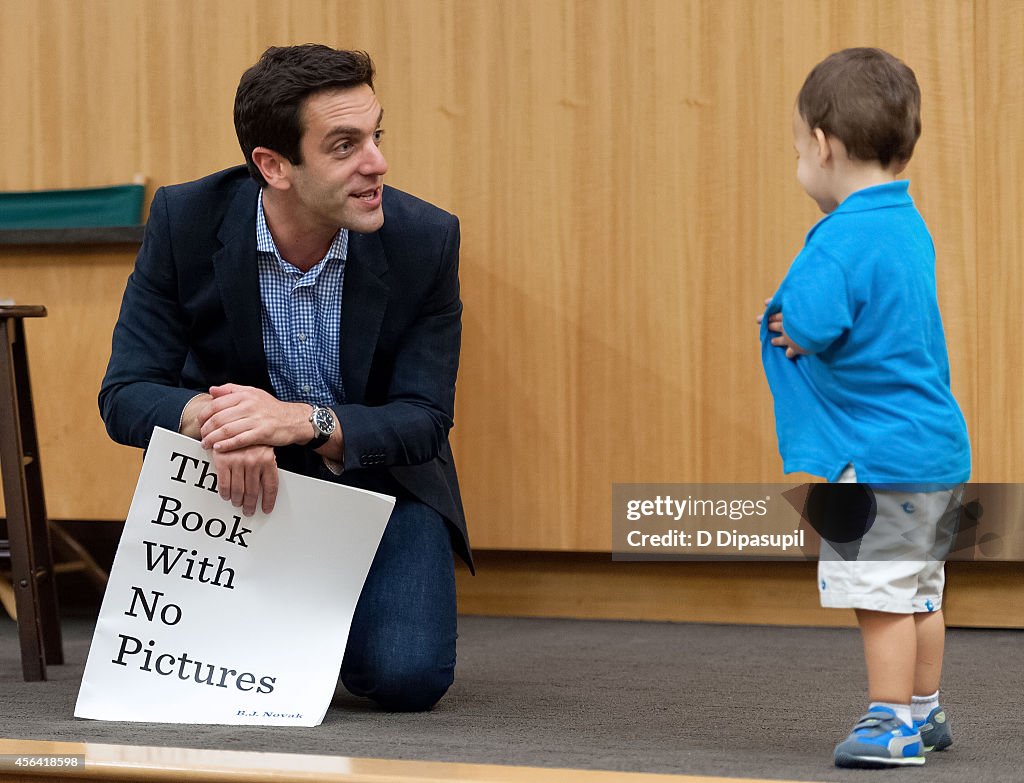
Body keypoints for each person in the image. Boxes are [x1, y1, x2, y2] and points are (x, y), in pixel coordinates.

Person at [99, 44, 470, 712]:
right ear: (273, 166)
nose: (377, 162)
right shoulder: (185, 220)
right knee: (191, 683)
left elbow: (424, 417)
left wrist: (301, 421)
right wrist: (228, 424)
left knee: (406, 676)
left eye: (376, 135)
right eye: (344, 145)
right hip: (232, 485)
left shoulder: (426, 239)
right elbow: (125, 393)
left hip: (380, 478)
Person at [758, 48, 970, 768]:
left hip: (872, 456)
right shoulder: (907, 223)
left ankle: (892, 722)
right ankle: (927, 706)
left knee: (879, 597)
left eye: (797, 150)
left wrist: (786, 319)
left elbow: (810, 322)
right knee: (920, 591)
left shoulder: (840, 238)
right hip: (934, 450)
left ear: (823, 144)